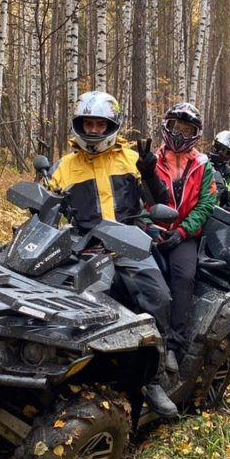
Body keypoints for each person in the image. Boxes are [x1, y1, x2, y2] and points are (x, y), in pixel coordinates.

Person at [49, 90, 179, 417]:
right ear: (79, 125)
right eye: (88, 124)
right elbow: (46, 213)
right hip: (83, 246)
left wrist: (149, 171)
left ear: (113, 125)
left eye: (100, 124)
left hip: (128, 241)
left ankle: (154, 375)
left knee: (158, 296)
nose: (93, 131)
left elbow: (158, 200)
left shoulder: (130, 158)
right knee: (73, 310)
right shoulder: (64, 166)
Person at [143, 102, 217, 374]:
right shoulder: (150, 160)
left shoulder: (202, 165)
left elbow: (206, 204)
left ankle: (174, 345)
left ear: (195, 133)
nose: (180, 134)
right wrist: (147, 222)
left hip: (184, 234)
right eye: (176, 127)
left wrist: (183, 231)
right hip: (150, 229)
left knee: (183, 277)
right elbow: (139, 197)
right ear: (166, 127)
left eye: (187, 129)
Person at [207, 130, 230, 207]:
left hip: (214, 205)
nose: (221, 152)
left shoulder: (228, 171)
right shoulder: (201, 160)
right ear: (214, 145)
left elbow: (228, 191)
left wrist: (224, 188)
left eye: (226, 152)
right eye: (219, 148)